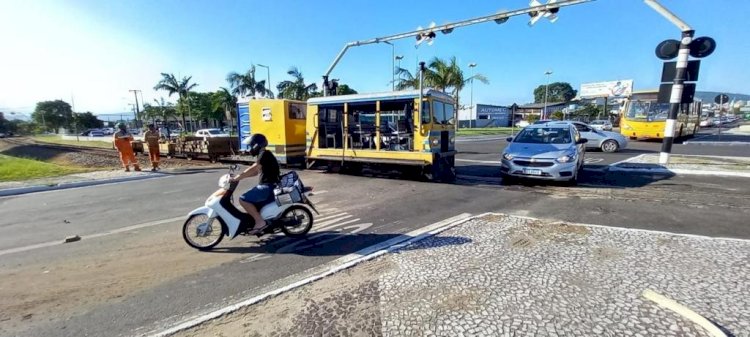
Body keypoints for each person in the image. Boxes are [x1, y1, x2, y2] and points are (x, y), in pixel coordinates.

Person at [230, 134, 280, 234]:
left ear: (256, 145)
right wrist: (240, 178)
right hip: (269, 185)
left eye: (250, 145)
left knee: (243, 199)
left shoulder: (264, 154)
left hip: (267, 187)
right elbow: (255, 172)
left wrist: (238, 177)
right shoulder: (264, 154)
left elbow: (254, 168)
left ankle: (260, 222)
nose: (249, 148)